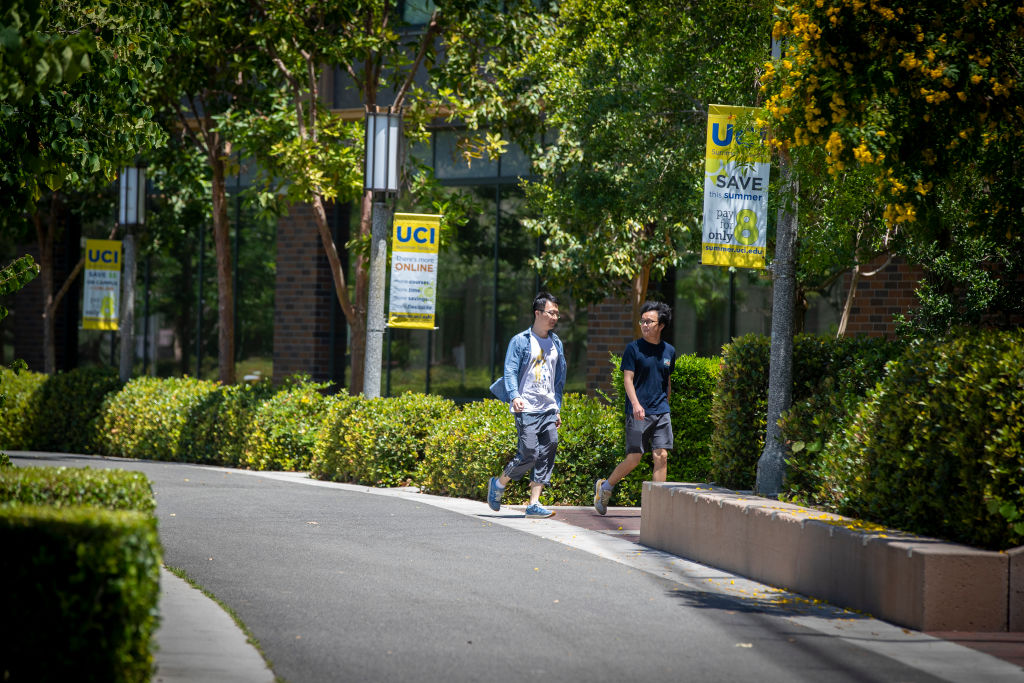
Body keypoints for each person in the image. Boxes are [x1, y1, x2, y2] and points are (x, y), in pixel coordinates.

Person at [487, 292, 567, 519]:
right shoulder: (520, 340)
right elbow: (510, 370)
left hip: (548, 407)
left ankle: (534, 503)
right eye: (551, 313)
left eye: (557, 314)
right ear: (538, 313)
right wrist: (514, 396)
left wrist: (557, 407)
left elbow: (558, 377)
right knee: (529, 452)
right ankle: (499, 483)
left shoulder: (556, 342)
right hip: (526, 406)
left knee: (549, 447)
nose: (555, 317)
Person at [593, 301, 676, 515]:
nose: (645, 325)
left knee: (661, 456)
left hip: (661, 411)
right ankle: (605, 487)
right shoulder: (633, 349)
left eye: (650, 321)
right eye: (643, 321)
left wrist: (666, 402)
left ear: (661, 325)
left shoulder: (669, 351)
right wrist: (636, 404)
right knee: (634, 459)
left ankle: (656, 508)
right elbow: (627, 379)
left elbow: (666, 380)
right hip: (638, 411)